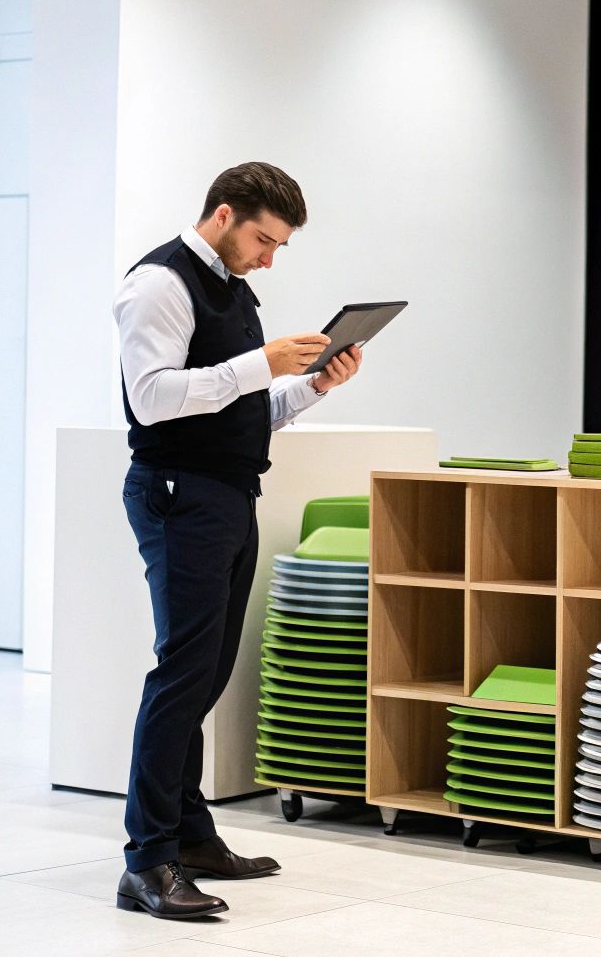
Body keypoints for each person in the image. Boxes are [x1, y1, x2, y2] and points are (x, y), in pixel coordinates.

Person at [110, 161, 363, 919]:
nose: (269, 257)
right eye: (263, 239)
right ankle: (146, 861)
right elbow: (152, 400)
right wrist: (259, 364)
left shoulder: (231, 287)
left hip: (224, 494)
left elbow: (241, 407)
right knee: (182, 675)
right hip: (179, 495)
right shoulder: (159, 283)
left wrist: (310, 385)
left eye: (279, 246)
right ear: (223, 214)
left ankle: (189, 836)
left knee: (207, 674)